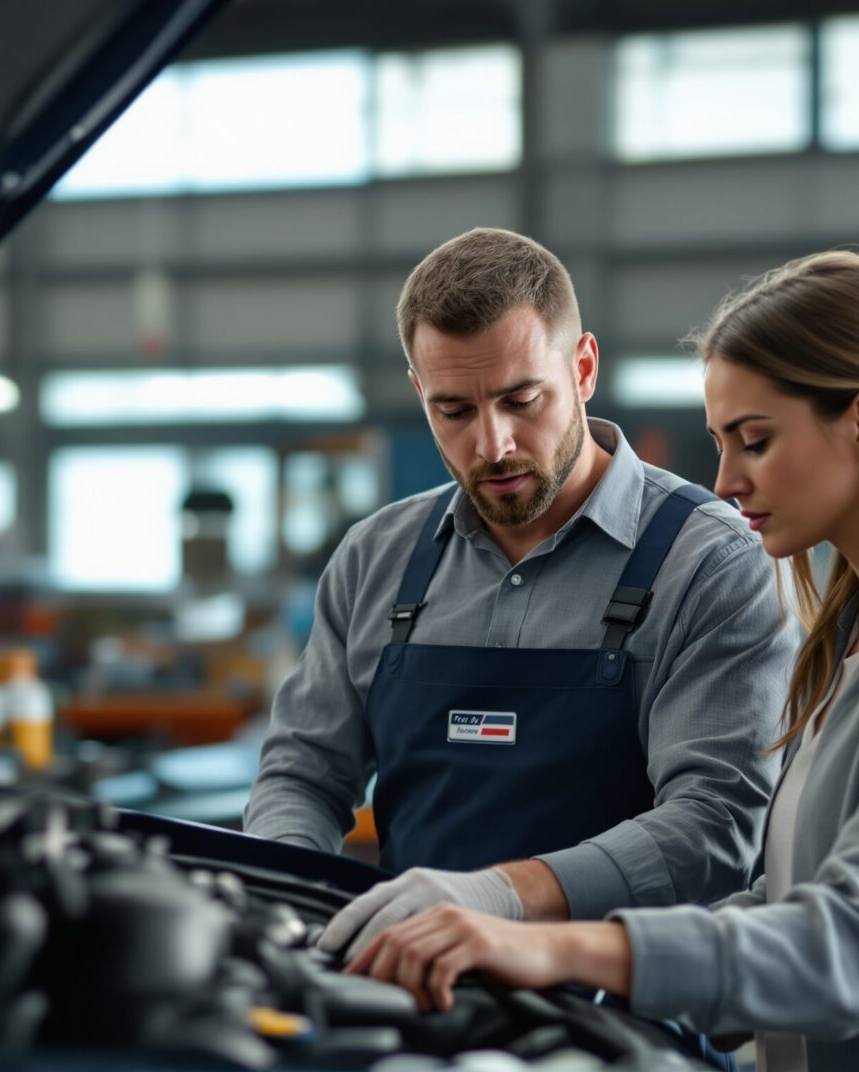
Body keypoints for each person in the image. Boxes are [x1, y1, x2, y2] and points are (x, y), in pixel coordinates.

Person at [342, 250, 859, 1072]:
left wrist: (559, 945)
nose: (728, 480)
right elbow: (790, 903)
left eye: (754, 440)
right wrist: (546, 983)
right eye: (721, 442)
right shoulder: (858, 629)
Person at [244, 228, 797, 961]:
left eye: (520, 399)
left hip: (626, 1026)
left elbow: (713, 826)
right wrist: (288, 902)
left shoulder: (712, 565)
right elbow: (302, 776)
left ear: (584, 367)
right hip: (414, 1003)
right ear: (420, 392)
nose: (492, 444)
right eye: (454, 411)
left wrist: (501, 896)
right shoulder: (376, 560)